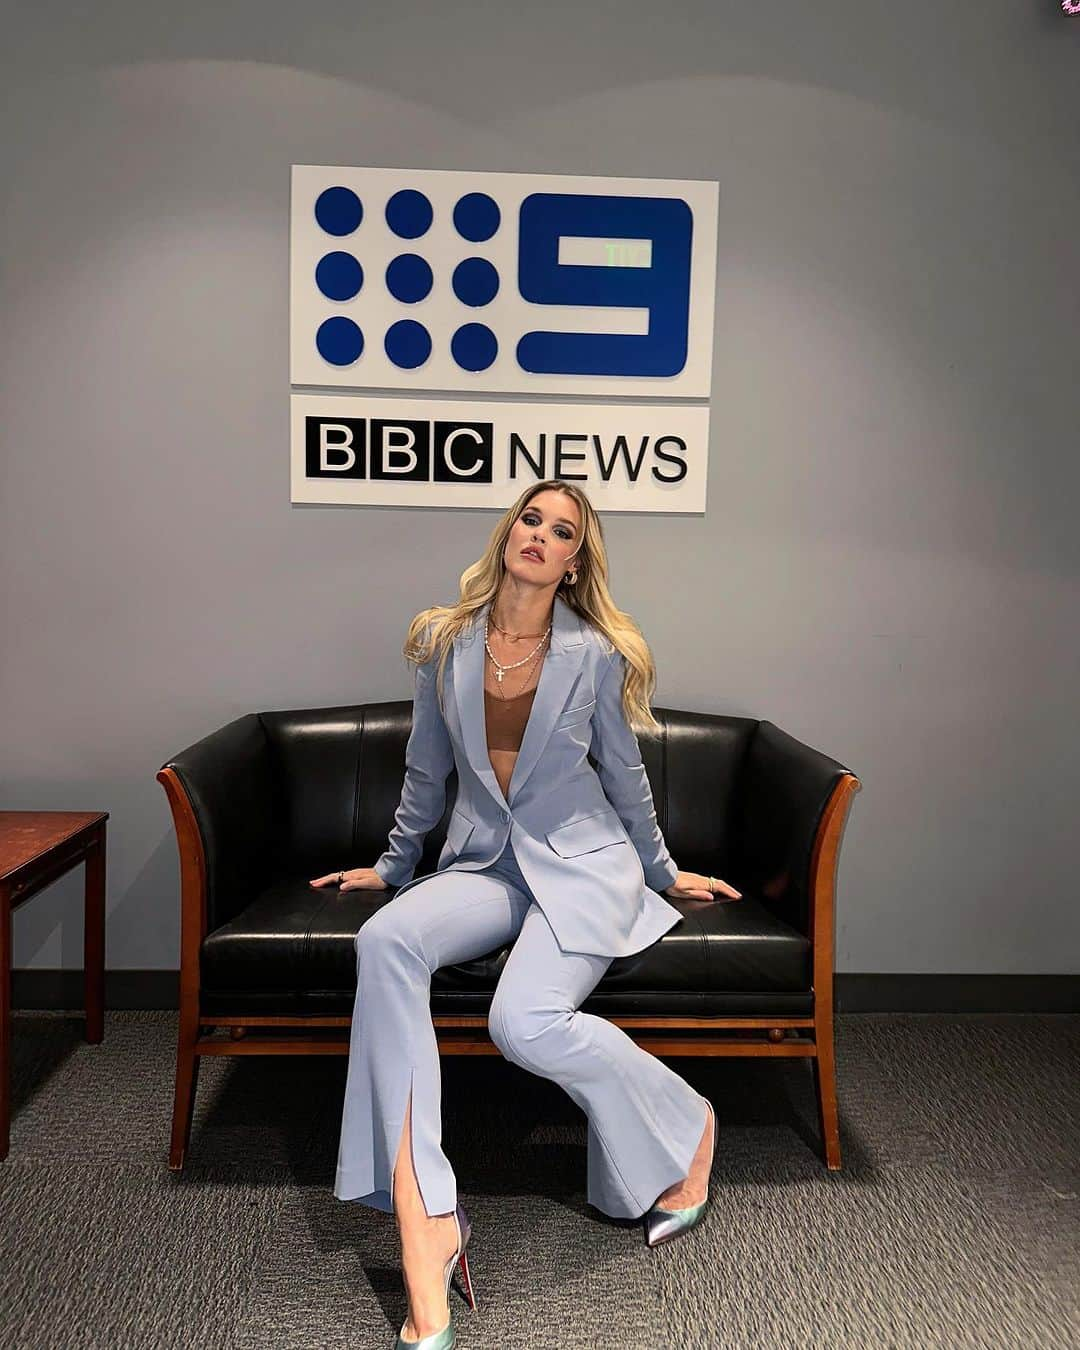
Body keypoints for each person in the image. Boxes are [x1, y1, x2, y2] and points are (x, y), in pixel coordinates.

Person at [310, 478, 742, 1350]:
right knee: (386, 938)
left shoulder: (596, 653)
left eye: (561, 530)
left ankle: (688, 1121)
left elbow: (624, 776)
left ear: (577, 559)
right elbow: (425, 774)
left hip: (582, 866)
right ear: (509, 534)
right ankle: (426, 1218)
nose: (540, 535)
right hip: (488, 863)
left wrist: (663, 872)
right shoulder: (447, 643)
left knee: (523, 1021)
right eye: (531, 520)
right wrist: (392, 867)